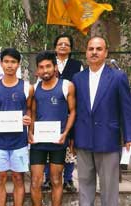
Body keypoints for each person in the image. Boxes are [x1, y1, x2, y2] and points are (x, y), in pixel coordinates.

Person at [72, 36, 131, 206]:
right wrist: (72, 138)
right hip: (83, 140)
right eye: (91, 49)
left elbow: (126, 109)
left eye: (98, 49)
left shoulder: (118, 77)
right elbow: (75, 111)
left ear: (106, 53)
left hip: (108, 140)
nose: (94, 52)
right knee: (84, 186)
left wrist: (128, 136)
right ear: (86, 52)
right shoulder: (78, 78)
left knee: (109, 189)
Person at [0, 48, 33, 206]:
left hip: (19, 142)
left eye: (13, 62)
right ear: (1, 63)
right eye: (6, 61)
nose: (9, 65)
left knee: (18, 178)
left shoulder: (27, 87)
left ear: (18, 64)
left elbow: (30, 109)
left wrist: (28, 118)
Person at [29, 51, 76, 206]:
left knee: (56, 180)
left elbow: (73, 111)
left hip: (58, 141)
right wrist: (30, 132)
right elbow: (33, 112)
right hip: (38, 142)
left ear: (55, 67)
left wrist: (66, 133)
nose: (45, 70)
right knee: (35, 181)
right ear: (37, 71)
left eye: (48, 66)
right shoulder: (34, 89)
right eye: (41, 67)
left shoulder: (66, 86)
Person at [42, 34, 82, 192]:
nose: (63, 46)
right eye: (60, 43)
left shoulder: (77, 65)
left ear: (71, 48)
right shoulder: (48, 64)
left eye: (67, 44)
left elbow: (79, 88)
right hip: (49, 110)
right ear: (55, 47)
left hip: (68, 112)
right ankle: (47, 179)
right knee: (47, 142)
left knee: (69, 146)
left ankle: (68, 179)